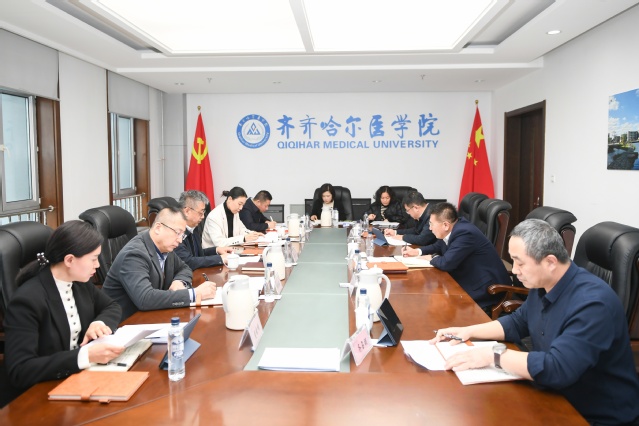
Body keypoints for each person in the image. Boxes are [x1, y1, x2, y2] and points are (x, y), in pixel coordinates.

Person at [431, 219, 639, 425]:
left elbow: (558, 368)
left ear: (550, 262)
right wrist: (467, 331)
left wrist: (492, 356)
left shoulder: (593, 304)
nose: (514, 270)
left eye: (520, 263)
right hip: (553, 395)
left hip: (593, 416)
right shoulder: (544, 284)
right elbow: (518, 322)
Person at [3, 221, 123, 394]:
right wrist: (85, 356)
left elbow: (111, 306)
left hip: (80, 380)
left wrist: (99, 322)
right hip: (42, 391)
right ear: (69, 260)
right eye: (93, 258)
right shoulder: (27, 301)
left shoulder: (79, 283)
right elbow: (20, 370)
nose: (97, 265)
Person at [103, 206, 217, 321]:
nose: (180, 240)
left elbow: (184, 268)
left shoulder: (165, 247)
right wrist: (194, 294)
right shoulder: (134, 254)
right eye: (177, 233)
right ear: (158, 228)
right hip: (125, 323)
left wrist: (179, 281)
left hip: (151, 316)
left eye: (182, 235)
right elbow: (145, 299)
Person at [403, 202, 509, 310]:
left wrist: (432, 257)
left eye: (431, 224)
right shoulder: (455, 227)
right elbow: (438, 246)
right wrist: (417, 251)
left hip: (485, 288)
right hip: (467, 276)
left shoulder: (464, 233)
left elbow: (446, 263)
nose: (430, 228)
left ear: (445, 225)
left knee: (438, 300)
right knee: (433, 291)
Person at [174, 190, 234, 270]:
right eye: (200, 213)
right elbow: (188, 261)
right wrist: (220, 258)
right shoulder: (176, 232)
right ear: (187, 211)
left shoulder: (193, 228)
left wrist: (217, 250)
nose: (203, 217)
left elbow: (198, 254)